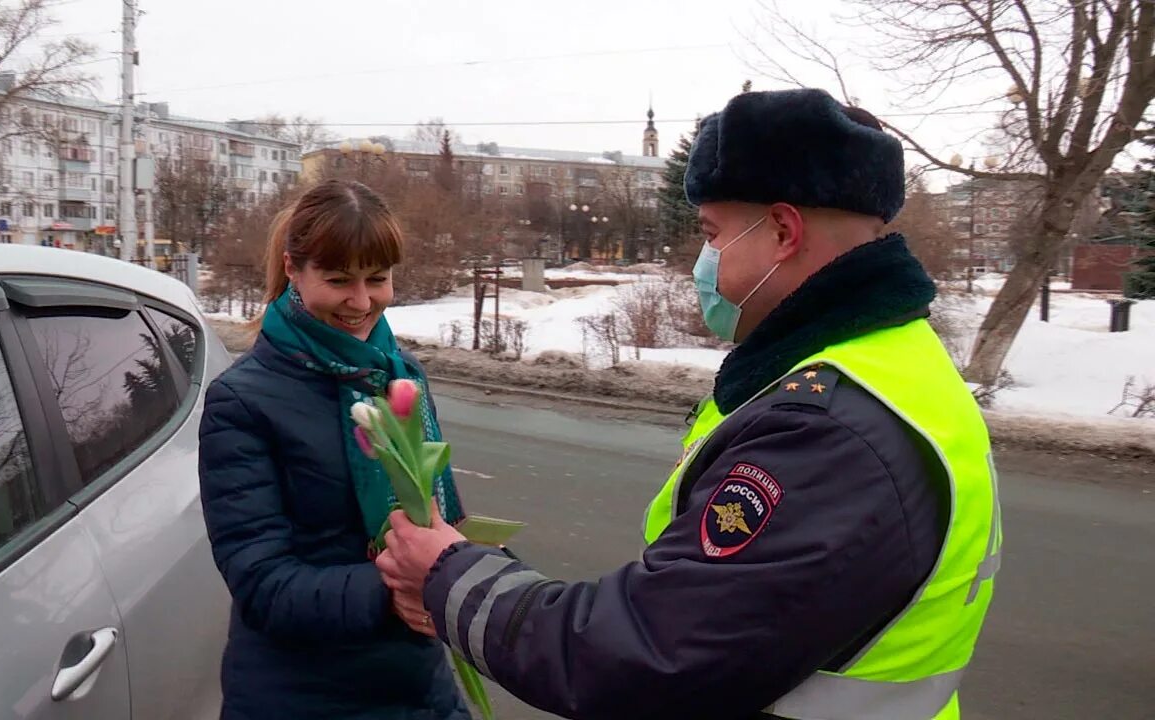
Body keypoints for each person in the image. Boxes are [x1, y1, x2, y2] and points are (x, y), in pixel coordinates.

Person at [375, 88, 1002, 720]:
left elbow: (648, 657)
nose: (703, 260)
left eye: (712, 233)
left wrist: (449, 576)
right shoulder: (892, 363)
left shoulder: (825, 428)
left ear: (783, 231)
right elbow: (702, 604)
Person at [198, 179, 472, 720]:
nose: (362, 301)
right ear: (293, 271)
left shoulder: (399, 373)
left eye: (379, 279)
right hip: (301, 694)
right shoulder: (243, 402)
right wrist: (395, 590)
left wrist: (476, 574)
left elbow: (444, 519)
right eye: (339, 280)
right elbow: (264, 585)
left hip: (419, 685)